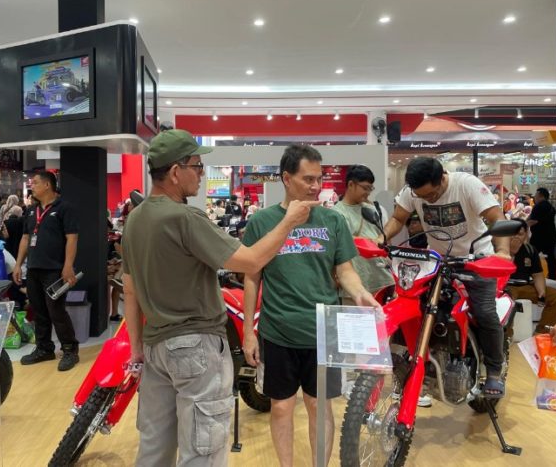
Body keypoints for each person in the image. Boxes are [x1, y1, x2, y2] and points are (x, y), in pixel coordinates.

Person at [121, 129, 316, 466]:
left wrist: (137, 347)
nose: (201, 174)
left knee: (154, 447)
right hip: (195, 347)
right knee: (203, 451)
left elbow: (130, 288)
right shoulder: (184, 218)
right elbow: (251, 261)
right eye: (196, 166)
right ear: (175, 171)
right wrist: (288, 222)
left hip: (155, 348)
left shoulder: (135, 220)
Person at [242, 146, 378, 467]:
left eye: (319, 179)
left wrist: (361, 294)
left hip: (323, 330)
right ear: (286, 178)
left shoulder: (332, 220)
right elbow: (251, 278)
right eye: (308, 179)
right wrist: (248, 331)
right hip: (279, 330)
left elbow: (345, 270)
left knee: (319, 406)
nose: (316, 186)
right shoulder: (261, 222)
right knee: (281, 407)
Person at [382, 157, 511, 398]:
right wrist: (382, 238)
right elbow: (398, 219)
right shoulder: (412, 192)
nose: (428, 200)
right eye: (421, 197)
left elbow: (497, 217)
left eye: (432, 195)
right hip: (437, 262)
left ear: (442, 178)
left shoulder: (466, 185)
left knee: (484, 312)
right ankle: (424, 361)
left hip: (476, 260)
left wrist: (502, 252)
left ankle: (494, 371)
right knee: (418, 306)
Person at [13, 171, 80, 372]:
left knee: (56, 311)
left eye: (35, 183)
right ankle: (44, 348)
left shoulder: (64, 208)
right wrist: (18, 264)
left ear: (48, 185)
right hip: (33, 268)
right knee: (39, 311)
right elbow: (26, 238)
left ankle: (70, 349)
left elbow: (72, 238)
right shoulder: (31, 211)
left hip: (54, 270)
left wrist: (68, 266)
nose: (31, 186)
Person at [333, 164, 395, 294]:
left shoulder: (371, 209)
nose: (368, 192)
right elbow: (341, 243)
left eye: (370, 188)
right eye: (365, 188)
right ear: (351, 185)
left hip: (382, 278)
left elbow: (382, 237)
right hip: (355, 283)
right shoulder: (336, 213)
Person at [507, 219, 556, 334]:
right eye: (512, 233)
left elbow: (537, 274)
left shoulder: (530, 250)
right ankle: (506, 336)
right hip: (507, 286)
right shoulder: (498, 248)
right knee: (507, 301)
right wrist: (512, 252)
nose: (516, 237)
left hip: (525, 285)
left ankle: (542, 332)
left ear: (526, 234)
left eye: (520, 234)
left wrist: (541, 292)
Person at [527, 187, 556, 280]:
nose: (534, 197)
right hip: (551, 235)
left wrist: (522, 225)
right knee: (550, 256)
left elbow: (533, 221)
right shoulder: (550, 206)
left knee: (530, 254)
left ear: (540, 195)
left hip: (539, 236)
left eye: (536, 195)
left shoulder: (539, 206)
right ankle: (552, 276)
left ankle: (529, 274)